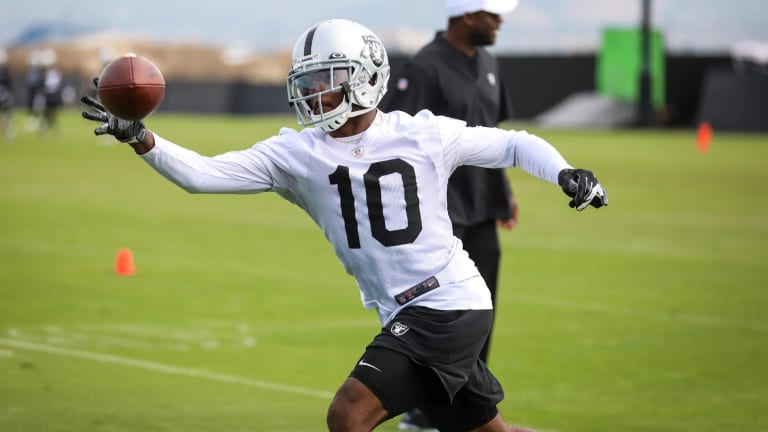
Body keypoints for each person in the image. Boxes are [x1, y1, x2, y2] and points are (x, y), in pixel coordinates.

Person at [81, 19, 607, 432]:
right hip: (413, 309)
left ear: (366, 79)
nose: (315, 93)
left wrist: (564, 172)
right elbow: (203, 175)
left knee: (348, 414)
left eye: (328, 80)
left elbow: (512, 143)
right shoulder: (297, 153)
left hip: (446, 304)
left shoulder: (423, 134)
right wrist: (142, 139)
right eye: (309, 82)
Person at [383, 1, 520, 428]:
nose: (500, 21)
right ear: (467, 14)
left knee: (480, 313)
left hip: (482, 208)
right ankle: (424, 409)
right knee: (442, 317)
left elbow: (493, 134)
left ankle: (470, 413)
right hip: (439, 215)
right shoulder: (425, 66)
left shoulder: (489, 63)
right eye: (493, 14)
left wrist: (504, 192)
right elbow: (395, 138)